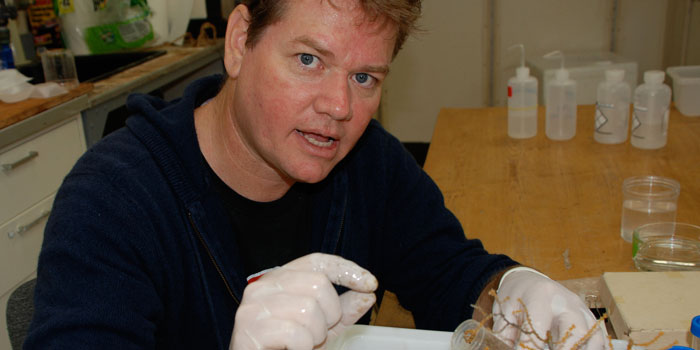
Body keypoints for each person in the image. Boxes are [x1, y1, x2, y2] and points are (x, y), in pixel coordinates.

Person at [25, 0, 607, 349]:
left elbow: (447, 271)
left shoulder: (367, 161)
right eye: (309, 60)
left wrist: (512, 288)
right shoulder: (111, 202)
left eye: (365, 78)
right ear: (238, 42)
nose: (339, 107)